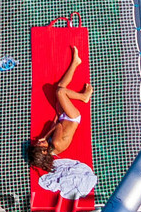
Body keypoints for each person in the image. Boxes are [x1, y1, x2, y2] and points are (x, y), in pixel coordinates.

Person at [23, 41, 96, 201]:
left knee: (60, 87)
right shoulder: (54, 144)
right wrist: (46, 135)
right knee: (61, 91)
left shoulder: (52, 149)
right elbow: (56, 127)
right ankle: (84, 97)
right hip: (72, 117)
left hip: (63, 119)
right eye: (39, 145)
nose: (38, 142)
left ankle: (76, 62)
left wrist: (57, 114)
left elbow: (56, 124)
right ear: (43, 151)